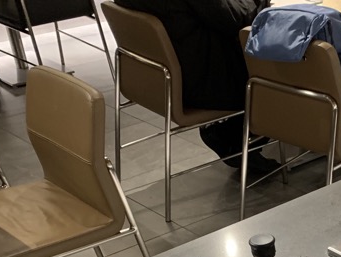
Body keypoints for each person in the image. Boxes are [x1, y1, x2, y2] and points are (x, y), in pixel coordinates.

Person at [114, 0, 275, 171]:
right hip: (206, 85)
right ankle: (235, 136)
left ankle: (232, 135)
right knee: (276, 68)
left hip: (157, 82)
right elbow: (238, 17)